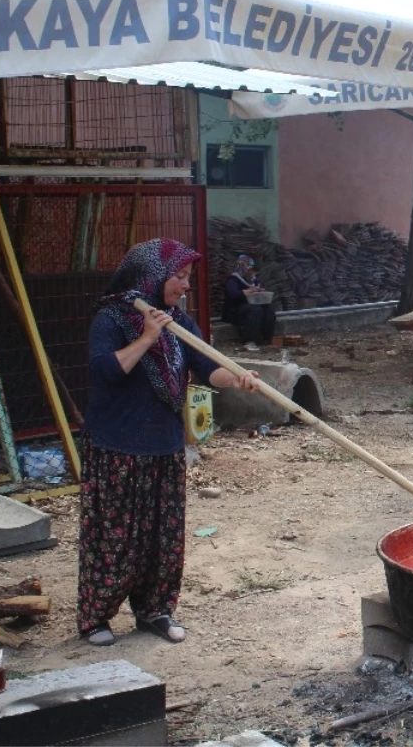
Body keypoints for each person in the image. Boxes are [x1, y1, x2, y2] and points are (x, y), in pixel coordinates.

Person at [79, 238, 258, 646]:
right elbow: (105, 372)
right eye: (178, 276)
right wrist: (146, 337)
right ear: (152, 277)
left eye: (186, 278)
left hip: (164, 444)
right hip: (116, 446)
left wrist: (240, 379)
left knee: (164, 537)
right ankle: (96, 618)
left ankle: (155, 611)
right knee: (114, 536)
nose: (185, 286)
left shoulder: (182, 324)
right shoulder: (112, 318)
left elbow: (209, 368)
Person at [222, 254, 276, 351]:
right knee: (255, 310)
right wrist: (249, 291)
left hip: (250, 305)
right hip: (235, 310)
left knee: (268, 309)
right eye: (249, 269)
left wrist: (259, 291)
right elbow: (233, 295)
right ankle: (250, 340)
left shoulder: (252, 279)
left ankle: (267, 338)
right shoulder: (233, 279)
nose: (251, 271)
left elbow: (255, 289)